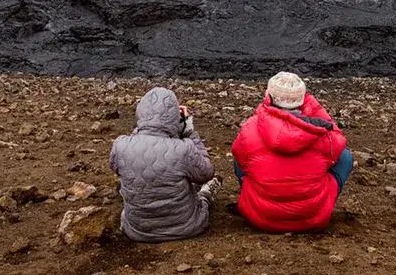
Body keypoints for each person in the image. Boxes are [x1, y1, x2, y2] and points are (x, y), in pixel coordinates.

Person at [231, 72, 354, 233]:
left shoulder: (251, 127)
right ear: (302, 100)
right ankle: (316, 204)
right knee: (345, 157)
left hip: (262, 218)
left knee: (243, 155)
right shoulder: (319, 132)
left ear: (268, 97)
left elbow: (239, 157)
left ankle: (257, 198)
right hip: (312, 218)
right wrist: (313, 105)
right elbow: (338, 139)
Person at [109, 87, 220, 243]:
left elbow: (115, 166)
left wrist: (142, 130)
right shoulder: (184, 148)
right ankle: (206, 195)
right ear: (175, 117)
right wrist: (189, 132)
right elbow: (207, 173)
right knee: (199, 192)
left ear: (141, 112)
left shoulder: (120, 146)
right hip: (186, 227)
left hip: (136, 230)